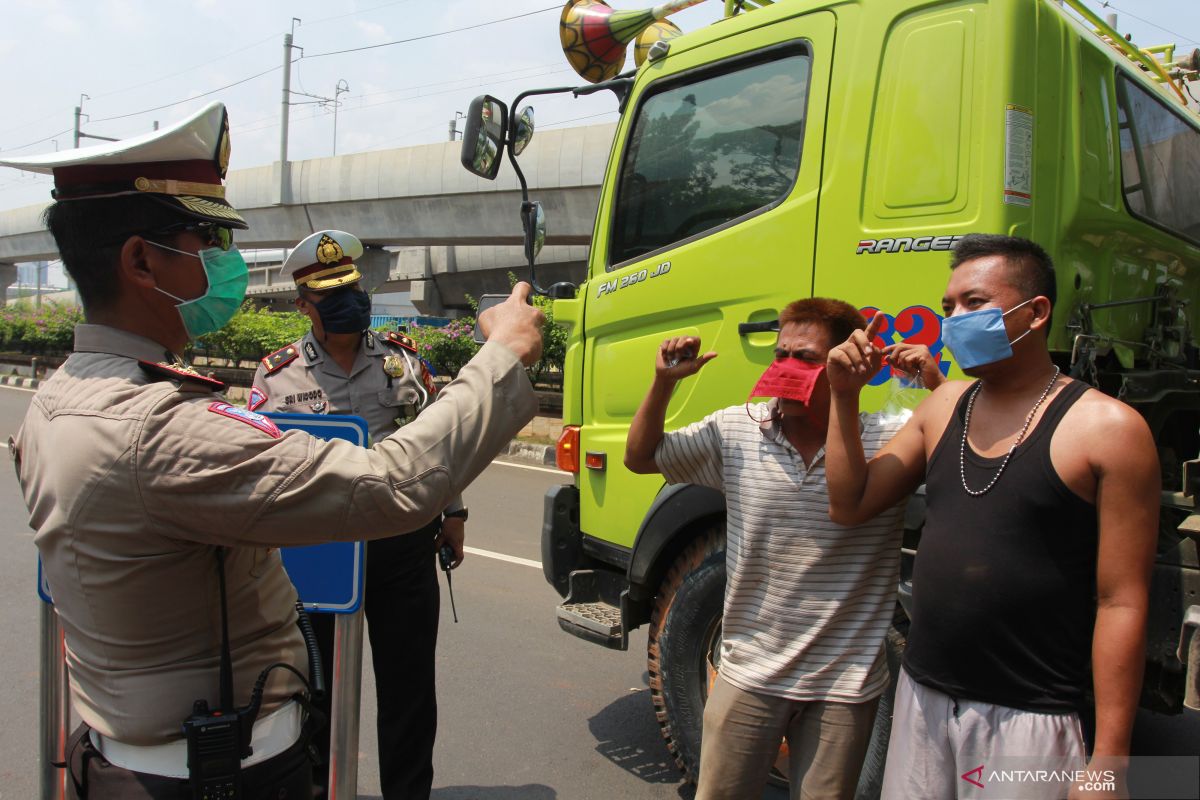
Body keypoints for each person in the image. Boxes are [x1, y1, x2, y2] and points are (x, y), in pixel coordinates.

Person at [2, 101, 544, 799]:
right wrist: (500, 357)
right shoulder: (166, 427)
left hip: (135, 758)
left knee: (408, 689)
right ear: (141, 261)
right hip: (223, 774)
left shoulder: (55, 402)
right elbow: (386, 485)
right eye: (207, 239)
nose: (227, 262)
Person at [824, 234, 1159, 800]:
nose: (954, 319)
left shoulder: (1108, 429)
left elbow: (1121, 601)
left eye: (974, 303)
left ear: (1035, 312)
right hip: (923, 700)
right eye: (948, 306)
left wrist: (1110, 761)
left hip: (1030, 721)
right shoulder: (944, 404)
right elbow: (850, 503)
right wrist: (842, 397)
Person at [623, 298, 943, 800]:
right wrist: (664, 382)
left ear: (850, 362)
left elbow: (971, 446)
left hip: (845, 682)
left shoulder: (889, 438)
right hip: (750, 672)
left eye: (808, 359)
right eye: (781, 356)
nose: (788, 369)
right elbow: (641, 457)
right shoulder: (737, 431)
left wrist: (934, 382)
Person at [250, 229, 464, 799]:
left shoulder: (404, 361)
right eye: (329, 295)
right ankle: (319, 789)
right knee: (313, 692)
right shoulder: (276, 377)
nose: (350, 302)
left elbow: (437, 444)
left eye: (351, 288)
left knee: (409, 690)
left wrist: (455, 515)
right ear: (302, 304)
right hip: (316, 556)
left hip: (402, 544)